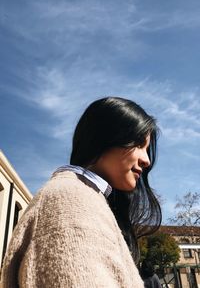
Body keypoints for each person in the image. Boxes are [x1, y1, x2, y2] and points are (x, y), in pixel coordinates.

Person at [2, 96, 162, 287]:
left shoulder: (83, 197)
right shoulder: (71, 200)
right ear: (103, 137)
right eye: (137, 144)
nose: (146, 160)